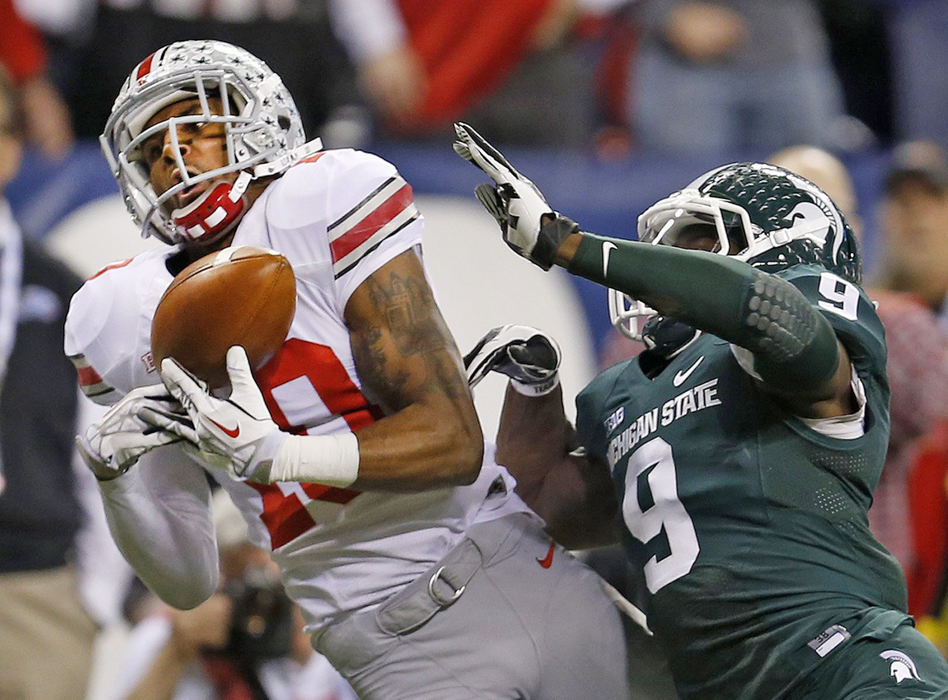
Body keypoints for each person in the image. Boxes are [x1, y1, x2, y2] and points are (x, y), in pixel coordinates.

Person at [64, 40, 631, 699]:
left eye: (196, 126)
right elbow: (186, 584)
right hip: (390, 638)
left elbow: (452, 442)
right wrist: (116, 482)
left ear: (257, 119)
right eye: (152, 151)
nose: (174, 154)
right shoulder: (119, 314)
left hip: (514, 561)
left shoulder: (322, 199)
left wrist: (284, 455)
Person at [453, 121, 948, 697]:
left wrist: (573, 247)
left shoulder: (803, 333)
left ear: (778, 243)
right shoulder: (627, 385)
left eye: (696, 238)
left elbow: (766, 315)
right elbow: (544, 509)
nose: (666, 257)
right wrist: (534, 390)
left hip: (838, 663)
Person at [0, 64, 124, 699]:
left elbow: (108, 455)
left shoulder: (66, 293)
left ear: (11, 149)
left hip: (39, 599)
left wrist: (92, 603)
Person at [107, 490, 356, 700]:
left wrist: (306, 651)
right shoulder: (165, 635)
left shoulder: (329, 633)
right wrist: (176, 653)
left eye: (267, 584)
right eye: (238, 584)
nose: (254, 601)